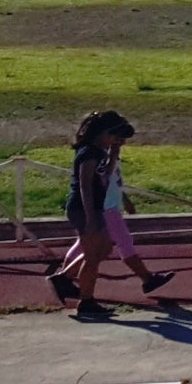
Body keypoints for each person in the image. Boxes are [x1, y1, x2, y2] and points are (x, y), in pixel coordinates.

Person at [50, 110, 172, 313]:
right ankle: (86, 300)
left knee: (104, 249)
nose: (116, 140)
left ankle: (64, 279)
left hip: (97, 208)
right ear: (103, 133)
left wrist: (114, 156)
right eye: (114, 136)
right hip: (84, 208)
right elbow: (85, 186)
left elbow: (104, 178)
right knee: (92, 257)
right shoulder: (89, 153)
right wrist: (90, 217)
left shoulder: (101, 152)